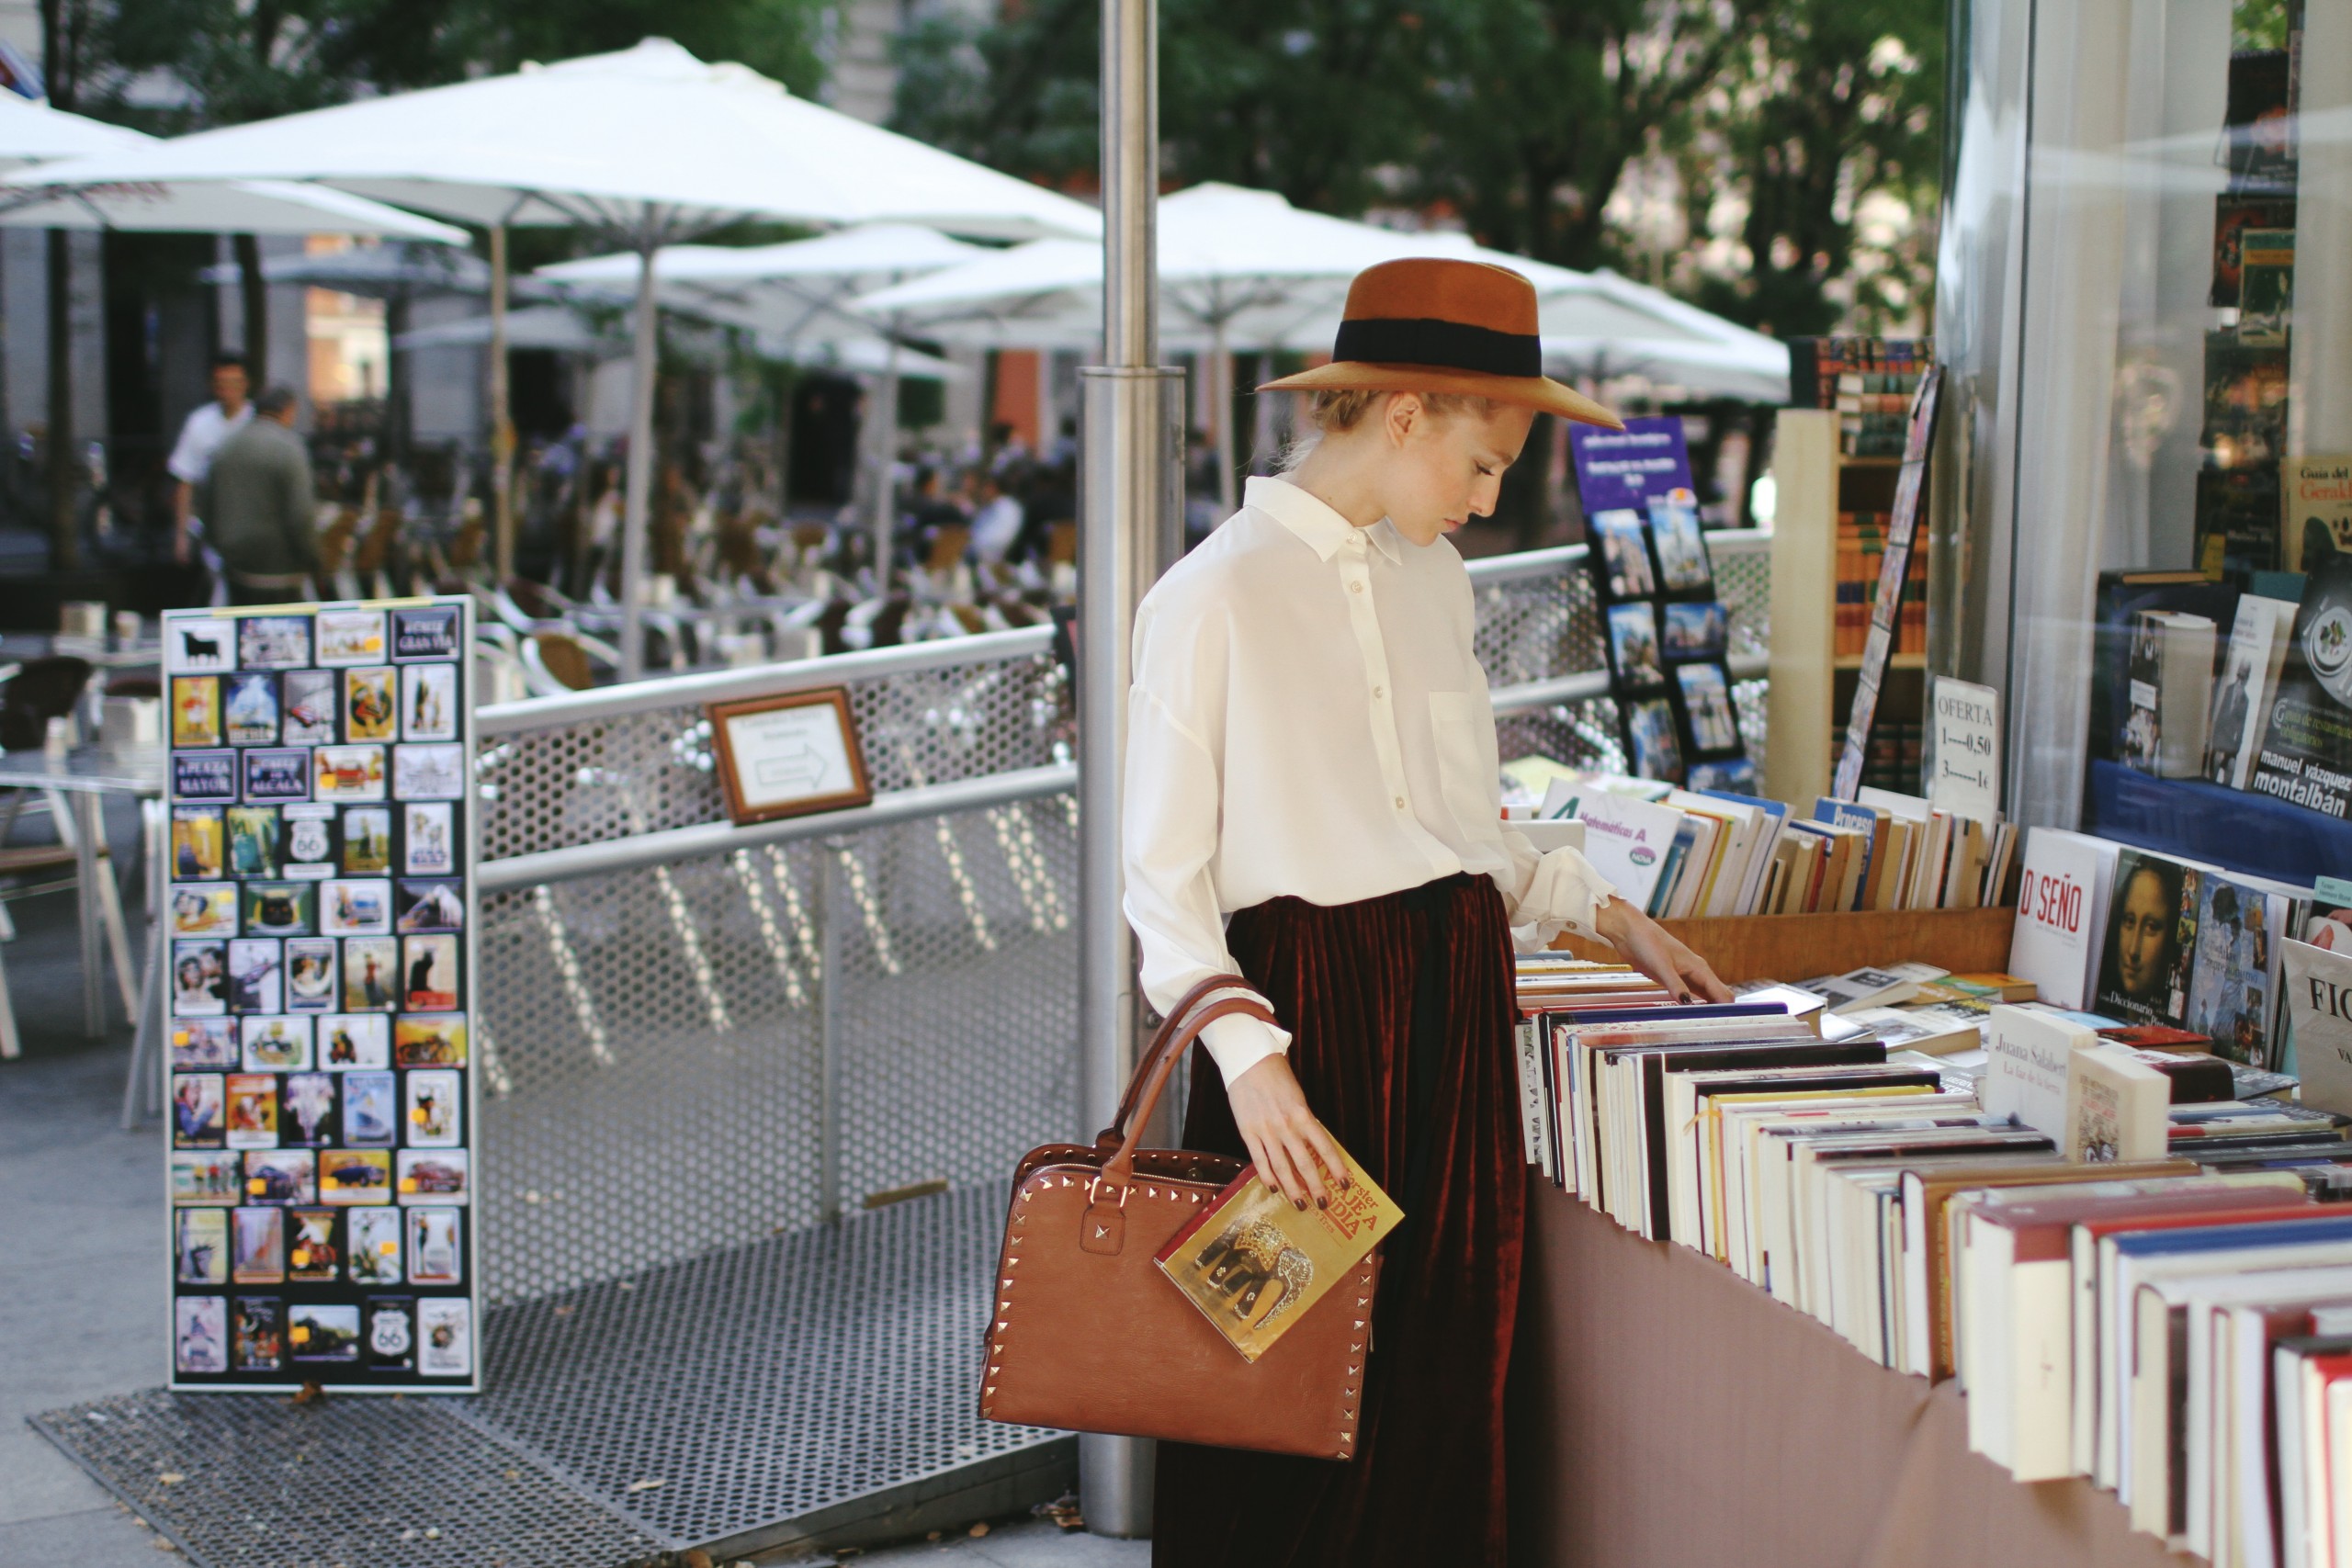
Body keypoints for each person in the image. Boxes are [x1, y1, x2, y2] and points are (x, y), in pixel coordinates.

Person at [1124, 257, 1729, 1566]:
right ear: (1402, 412)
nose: (1487, 497)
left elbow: (1464, 829)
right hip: (1297, 1024)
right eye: (1481, 460)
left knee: (1446, 1371)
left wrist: (1605, 911)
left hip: (1451, 1000)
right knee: (1266, 1381)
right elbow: (1159, 884)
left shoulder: (1434, 579)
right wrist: (1253, 1064)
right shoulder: (1207, 598)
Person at [206, 385, 320, 605]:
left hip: (235, 564)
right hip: (279, 567)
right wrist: (313, 559)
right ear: (288, 411)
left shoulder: (226, 446)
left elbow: (207, 505)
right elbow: (301, 515)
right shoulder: (290, 448)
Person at [168, 353, 254, 565]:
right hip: (214, 522)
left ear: (245, 384)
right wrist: (181, 537)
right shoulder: (199, 422)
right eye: (220, 383)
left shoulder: (259, 421)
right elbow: (185, 480)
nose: (227, 390)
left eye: (233, 383)